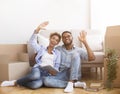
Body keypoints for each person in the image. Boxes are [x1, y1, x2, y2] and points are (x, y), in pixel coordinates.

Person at [0, 21, 61, 89]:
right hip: (38, 68)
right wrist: (37, 30)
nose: (54, 40)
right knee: (35, 76)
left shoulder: (58, 53)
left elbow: (57, 66)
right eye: (53, 38)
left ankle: (22, 82)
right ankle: (14, 82)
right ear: (50, 39)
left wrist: (54, 72)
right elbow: (32, 42)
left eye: (56, 40)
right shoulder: (41, 48)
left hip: (47, 74)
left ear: (57, 43)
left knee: (35, 85)